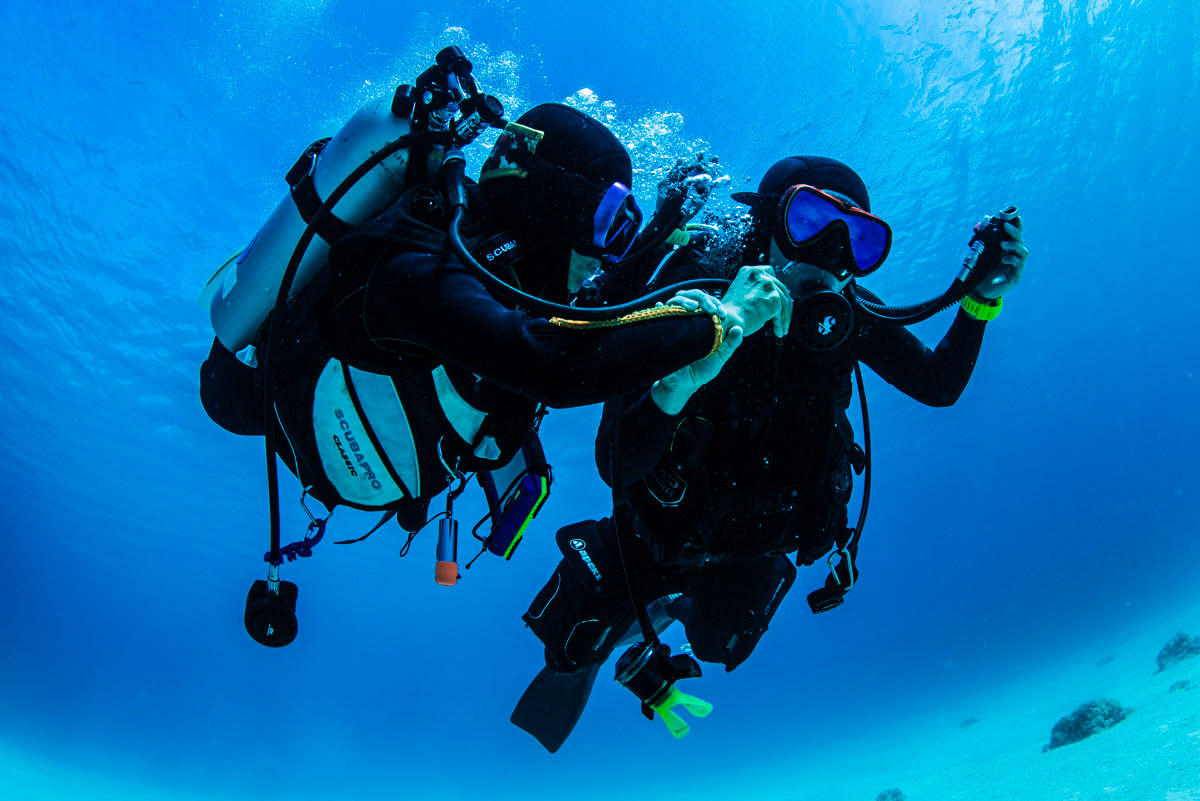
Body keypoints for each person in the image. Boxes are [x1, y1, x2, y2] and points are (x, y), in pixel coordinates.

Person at [198, 99, 791, 644]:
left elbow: (596, 303)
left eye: (624, 231)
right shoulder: (417, 262)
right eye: (609, 220)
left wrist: (665, 223)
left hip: (373, 455)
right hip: (286, 412)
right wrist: (719, 323)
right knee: (230, 403)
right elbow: (552, 366)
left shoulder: (515, 287)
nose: (606, 253)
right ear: (553, 199)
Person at [512, 155, 1029, 750]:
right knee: (569, 648)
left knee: (716, 647)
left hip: (760, 546)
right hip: (656, 534)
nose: (831, 253)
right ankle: (624, 623)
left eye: (858, 238)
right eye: (810, 221)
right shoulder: (694, 296)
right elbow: (615, 466)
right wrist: (689, 370)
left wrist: (978, 303)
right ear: (765, 225)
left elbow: (937, 386)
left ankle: (664, 617)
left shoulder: (847, 318)